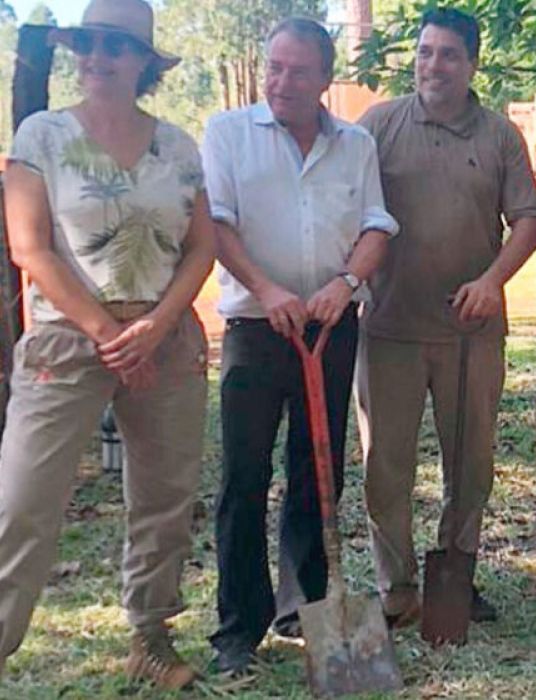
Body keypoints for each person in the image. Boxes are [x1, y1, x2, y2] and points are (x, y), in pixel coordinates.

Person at [0, 0, 213, 688]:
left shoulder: (178, 145)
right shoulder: (43, 135)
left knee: (163, 499)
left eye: (114, 47)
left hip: (165, 337)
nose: (96, 57)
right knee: (23, 502)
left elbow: (202, 248)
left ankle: (149, 638)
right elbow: (30, 246)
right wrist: (110, 333)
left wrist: (155, 327)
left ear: (143, 62)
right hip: (67, 338)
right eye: (86, 44)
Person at [203, 17, 397, 675]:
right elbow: (218, 225)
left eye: (298, 71)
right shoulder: (229, 134)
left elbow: (376, 225)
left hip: (330, 325)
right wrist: (267, 289)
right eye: (274, 68)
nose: (281, 82)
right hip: (258, 330)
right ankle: (237, 629)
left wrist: (346, 284)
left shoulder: (355, 144)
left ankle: (304, 605)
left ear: (324, 78)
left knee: (318, 470)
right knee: (244, 475)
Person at [356, 7, 536, 628]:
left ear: (472, 64)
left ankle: (455, 579)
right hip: (389, 330)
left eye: (448, 54)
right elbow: (346, 213)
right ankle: (398, 586)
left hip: (471, 334)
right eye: (425, 52)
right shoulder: (377, 127)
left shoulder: (498, 136)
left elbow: (528, 220)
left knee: (471, 465)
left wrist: (493, 282)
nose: (433, 65)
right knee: (385, 467)